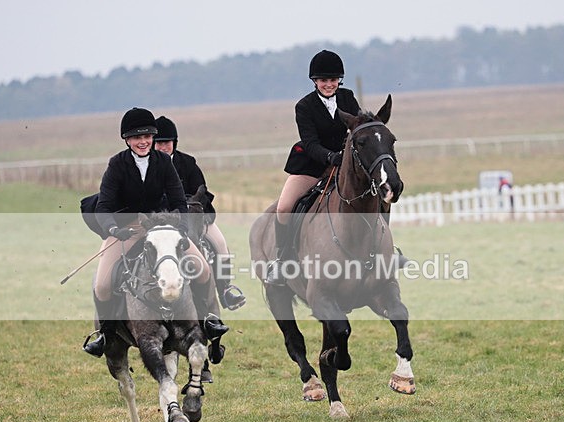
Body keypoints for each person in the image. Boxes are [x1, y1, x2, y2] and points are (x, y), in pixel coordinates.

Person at [83, 107, 227, 357]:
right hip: (127, 230)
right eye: (137, 137)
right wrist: (114, 229)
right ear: (127, 140)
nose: (143, 141)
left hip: (163, 228)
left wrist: (180, 226)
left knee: (203, 270)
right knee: (103, 284)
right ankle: (105, 334)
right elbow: (104, 206)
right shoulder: (117, 164)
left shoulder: (162, 162)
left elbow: (178, 199)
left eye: (147, 136)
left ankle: (209, 321)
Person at [264, 50, 361, 285]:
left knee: (375, 193)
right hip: (312, 165)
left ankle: (384, 248)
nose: (328, 84)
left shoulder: (348, 98)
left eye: (333, 80)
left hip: (343, 165)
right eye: (323, 80)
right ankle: (283, 259)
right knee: (285, 208)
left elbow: (358, 129)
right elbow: (310, 143)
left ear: (339, 80)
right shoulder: (304, 106)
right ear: (315, 81)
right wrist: (331, 157)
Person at [153, 115, 246, 310]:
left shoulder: (187, 162)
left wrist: (192, 205)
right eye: (158, 143)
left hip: (193, 216)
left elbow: (202, 190)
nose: (163, 147)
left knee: (220, 244)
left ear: (174, 142)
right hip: (161, 220)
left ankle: (224, 290)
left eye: (166, 142)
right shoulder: (149, 166)